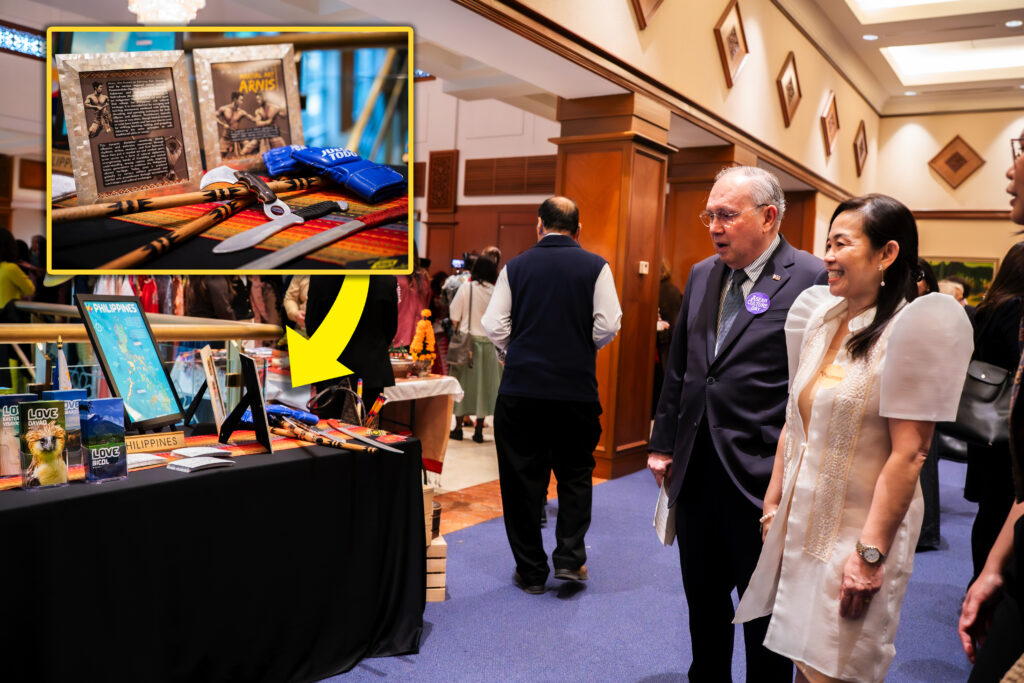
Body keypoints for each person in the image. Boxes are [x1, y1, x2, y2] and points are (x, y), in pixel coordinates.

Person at [733, 194, 973, 683]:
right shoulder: (821, 318)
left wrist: (869, 557)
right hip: (802, 529)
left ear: (887, 254)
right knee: (801, 661)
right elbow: (793, 420)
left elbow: (911, 453)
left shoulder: (911, 329)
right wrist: (773, 502)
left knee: (840, 668)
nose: (827, 255)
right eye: (827, 242)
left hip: (859, 540)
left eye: (842, 243)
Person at [648, 165, 825, 682]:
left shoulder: (810, 278)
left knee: (763, 615)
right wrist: (663, 443)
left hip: (761, 479)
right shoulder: (704, 273)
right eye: (710, 215)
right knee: (703, 603)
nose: (714, 226)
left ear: (768, 217)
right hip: (697, 473)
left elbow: (810, 386)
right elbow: (681, 368)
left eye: (727, 215)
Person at [481, 196, 621, 594]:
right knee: (576, 476)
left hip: (521, 390)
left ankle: (530, 570)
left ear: (539, 225)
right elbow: (608, 324)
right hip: (575, 390)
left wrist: (514, 351)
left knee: (521, 480)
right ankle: (570, 560)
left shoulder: (517, 266)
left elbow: (493, 325)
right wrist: (579, 345)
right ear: (578, 230)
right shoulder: (597, 266)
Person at [962, 243, 1024, 583]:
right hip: (1005, 422)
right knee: (1000, 510)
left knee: (989, 508)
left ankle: (978, 578)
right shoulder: (1015, 309)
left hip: (984, 416)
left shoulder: (988, 306)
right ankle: (985, 582)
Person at [305, 275, 398, 421]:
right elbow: (391, 326)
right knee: (368, 434)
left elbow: (311, 325)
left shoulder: (321, 278)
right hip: (370, 367)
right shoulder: (386, 279)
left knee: (330, 432)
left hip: (330, 364)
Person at [449, 256, 502, 443]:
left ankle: (458, 428)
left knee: (461, 385)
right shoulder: (497, 291)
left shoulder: (467, 288)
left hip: (467, 344)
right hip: (489, 345)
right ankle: (479, 429)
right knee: (484, 388)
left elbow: (454, 315)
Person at [216, 92, 256, 158]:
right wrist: (223, 124)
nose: (242, 102)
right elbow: (214, 116)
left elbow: (253, 119)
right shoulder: (224, 109)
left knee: (249, 146)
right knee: (220, 157)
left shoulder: (241, 112)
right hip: (226, 136)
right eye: (241, 100)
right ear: (235, 99)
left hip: (237, 136)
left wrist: (262, 118)